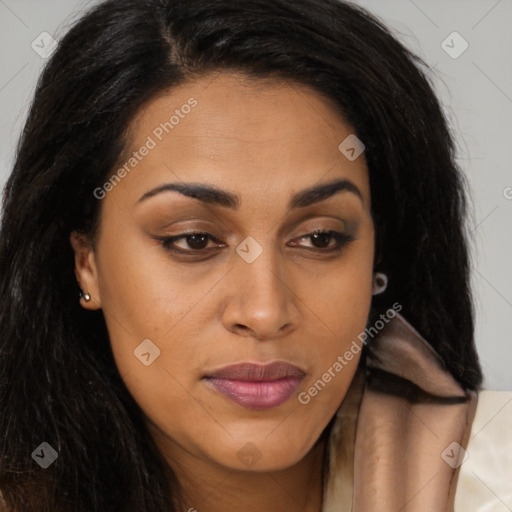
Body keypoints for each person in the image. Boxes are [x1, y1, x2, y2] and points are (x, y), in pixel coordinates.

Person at [0, 0, 510, 510]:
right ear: (86, 262)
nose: (265, 313)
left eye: (320, 238)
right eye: (194, 240)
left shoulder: (494, 480)